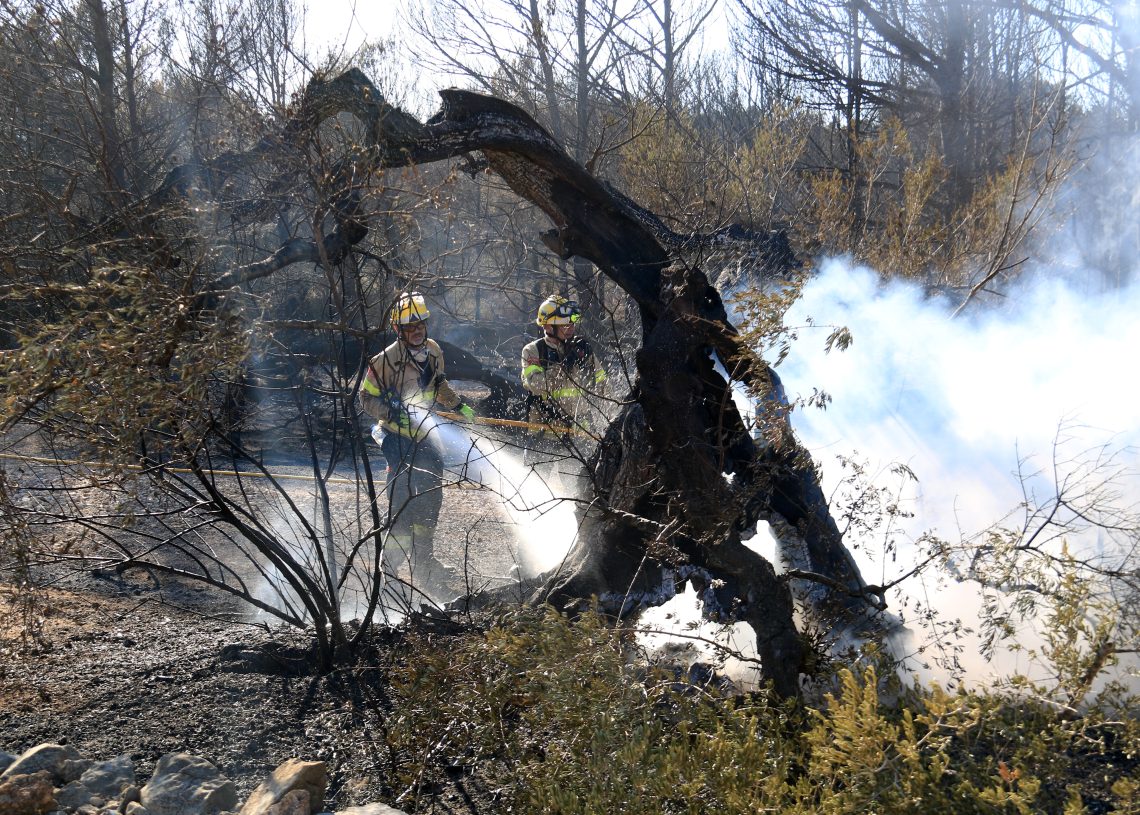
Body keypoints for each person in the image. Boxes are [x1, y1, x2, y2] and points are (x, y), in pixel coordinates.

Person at [359, 291, 475, 586]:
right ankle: (390, 571)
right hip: (397, 439)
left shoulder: (434, 351)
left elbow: (438, 383)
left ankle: (424, 563)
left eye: (421, 324)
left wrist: (457, 404)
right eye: (411, 327)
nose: (418, 330)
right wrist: (389, 412)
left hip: (426, 436)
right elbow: (366, 398)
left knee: (430, 500)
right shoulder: (384, 361)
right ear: (398, 330)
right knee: (400, 505)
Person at [520, 295, 607, 473]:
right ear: (547, 326)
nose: (571, 329)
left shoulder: (581, 349)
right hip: (544, 434)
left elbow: (603, 385)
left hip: (578, 434)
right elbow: (536, 385)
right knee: (537, 489)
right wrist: (562, 367)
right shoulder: (533, 350)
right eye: (565, 325)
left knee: (581, 491)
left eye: (572, 324)